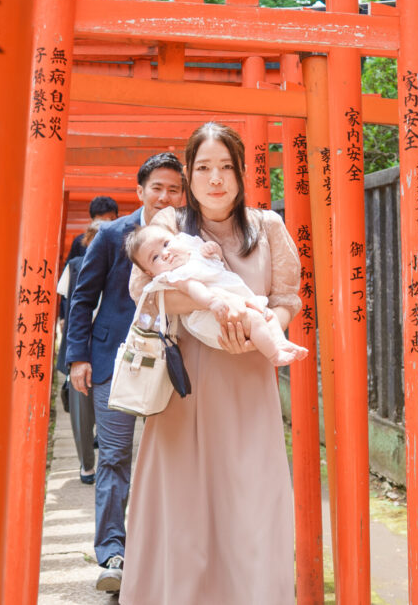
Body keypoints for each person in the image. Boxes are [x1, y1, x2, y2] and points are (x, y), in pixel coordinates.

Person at [120, 122, 302, 604]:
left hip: (247, 382)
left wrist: (264, 328)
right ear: (189, 173)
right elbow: (144, 294)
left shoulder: (268, 227)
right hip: (186, 390)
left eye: (226, 167)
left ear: (242, 173)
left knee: (251, 504)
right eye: (204, 167)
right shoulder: (168, 227)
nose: (215, 178)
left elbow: (287, 298)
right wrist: (213, 306)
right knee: (184, 511)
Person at [64, 153, 185, 593]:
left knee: (171, 457)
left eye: (174, 188)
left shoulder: (189, 236)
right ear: (140, 191)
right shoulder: (114, 234)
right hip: (115, 362)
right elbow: (82, 297)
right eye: (158, 187)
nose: (165, 196)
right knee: (114, 456)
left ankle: (162, 547)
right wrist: (78, 357)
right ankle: (113, 552)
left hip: (173, 363)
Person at [126, 224, 308, 366]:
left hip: (237, 303)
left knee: (269, 316)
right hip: (211, 315)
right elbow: (194, 289)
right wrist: (212, 301)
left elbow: (217, 264)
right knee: (256, 319)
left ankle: (280, 342)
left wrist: (215, 251)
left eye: (166, 244)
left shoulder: (194, 252)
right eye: (155, 258)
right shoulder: (176, 275)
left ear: (178, 238)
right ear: (151, 273)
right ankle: (274, 355)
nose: (165, 254)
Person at [55, 220, 104, 485]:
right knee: (81, 410)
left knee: (105, 406)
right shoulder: (74, 267)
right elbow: (66, 302)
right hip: (79, 344)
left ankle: (103, 459)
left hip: (107, 344)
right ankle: (86, 464)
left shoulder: (121, 266)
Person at [67, 195, 119, 262]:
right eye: (101, 221)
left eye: (111, 220)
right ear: (93, 220)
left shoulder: (124, 240)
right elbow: (71, 268)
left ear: (117, 218)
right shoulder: (80, 241)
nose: (107, 225)